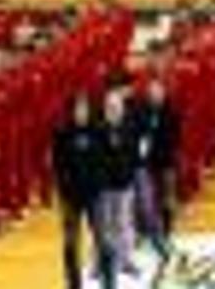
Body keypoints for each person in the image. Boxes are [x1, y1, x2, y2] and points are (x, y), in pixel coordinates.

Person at [53, 95, 107, 289]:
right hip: (70, 197)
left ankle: (106, 278)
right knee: (71, 242)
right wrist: (63, 190)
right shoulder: (62, 134)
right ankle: (73, 282)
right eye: (78, 109)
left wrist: (99, 186)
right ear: (72, 111)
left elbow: (102, 162)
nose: (81, 113)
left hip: (93, 195)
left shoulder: (97, 131)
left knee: (101, 237)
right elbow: (58, 166)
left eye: (84, 109)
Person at [132, 79, 178, 258]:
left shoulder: (171, 113)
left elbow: (175, 137)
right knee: (147, 201)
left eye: (159, 91)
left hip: (166, 163)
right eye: (153, 92)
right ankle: (145, 233)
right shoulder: (142, 112)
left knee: (167, 199)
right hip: (148, 164)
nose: (156, 95)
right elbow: (139, 135)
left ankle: (166, 232)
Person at [98, 91, 140, 282]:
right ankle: (103, 263)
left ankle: (126, 261)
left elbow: (134, 157)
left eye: (116, 108)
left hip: (124, 185)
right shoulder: (99, 130)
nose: (113, 111)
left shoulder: (130, 129)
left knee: (124, 224)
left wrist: (130, 177)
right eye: (110, 108)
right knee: (105, 226)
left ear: (122, 110)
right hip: (104, 186)